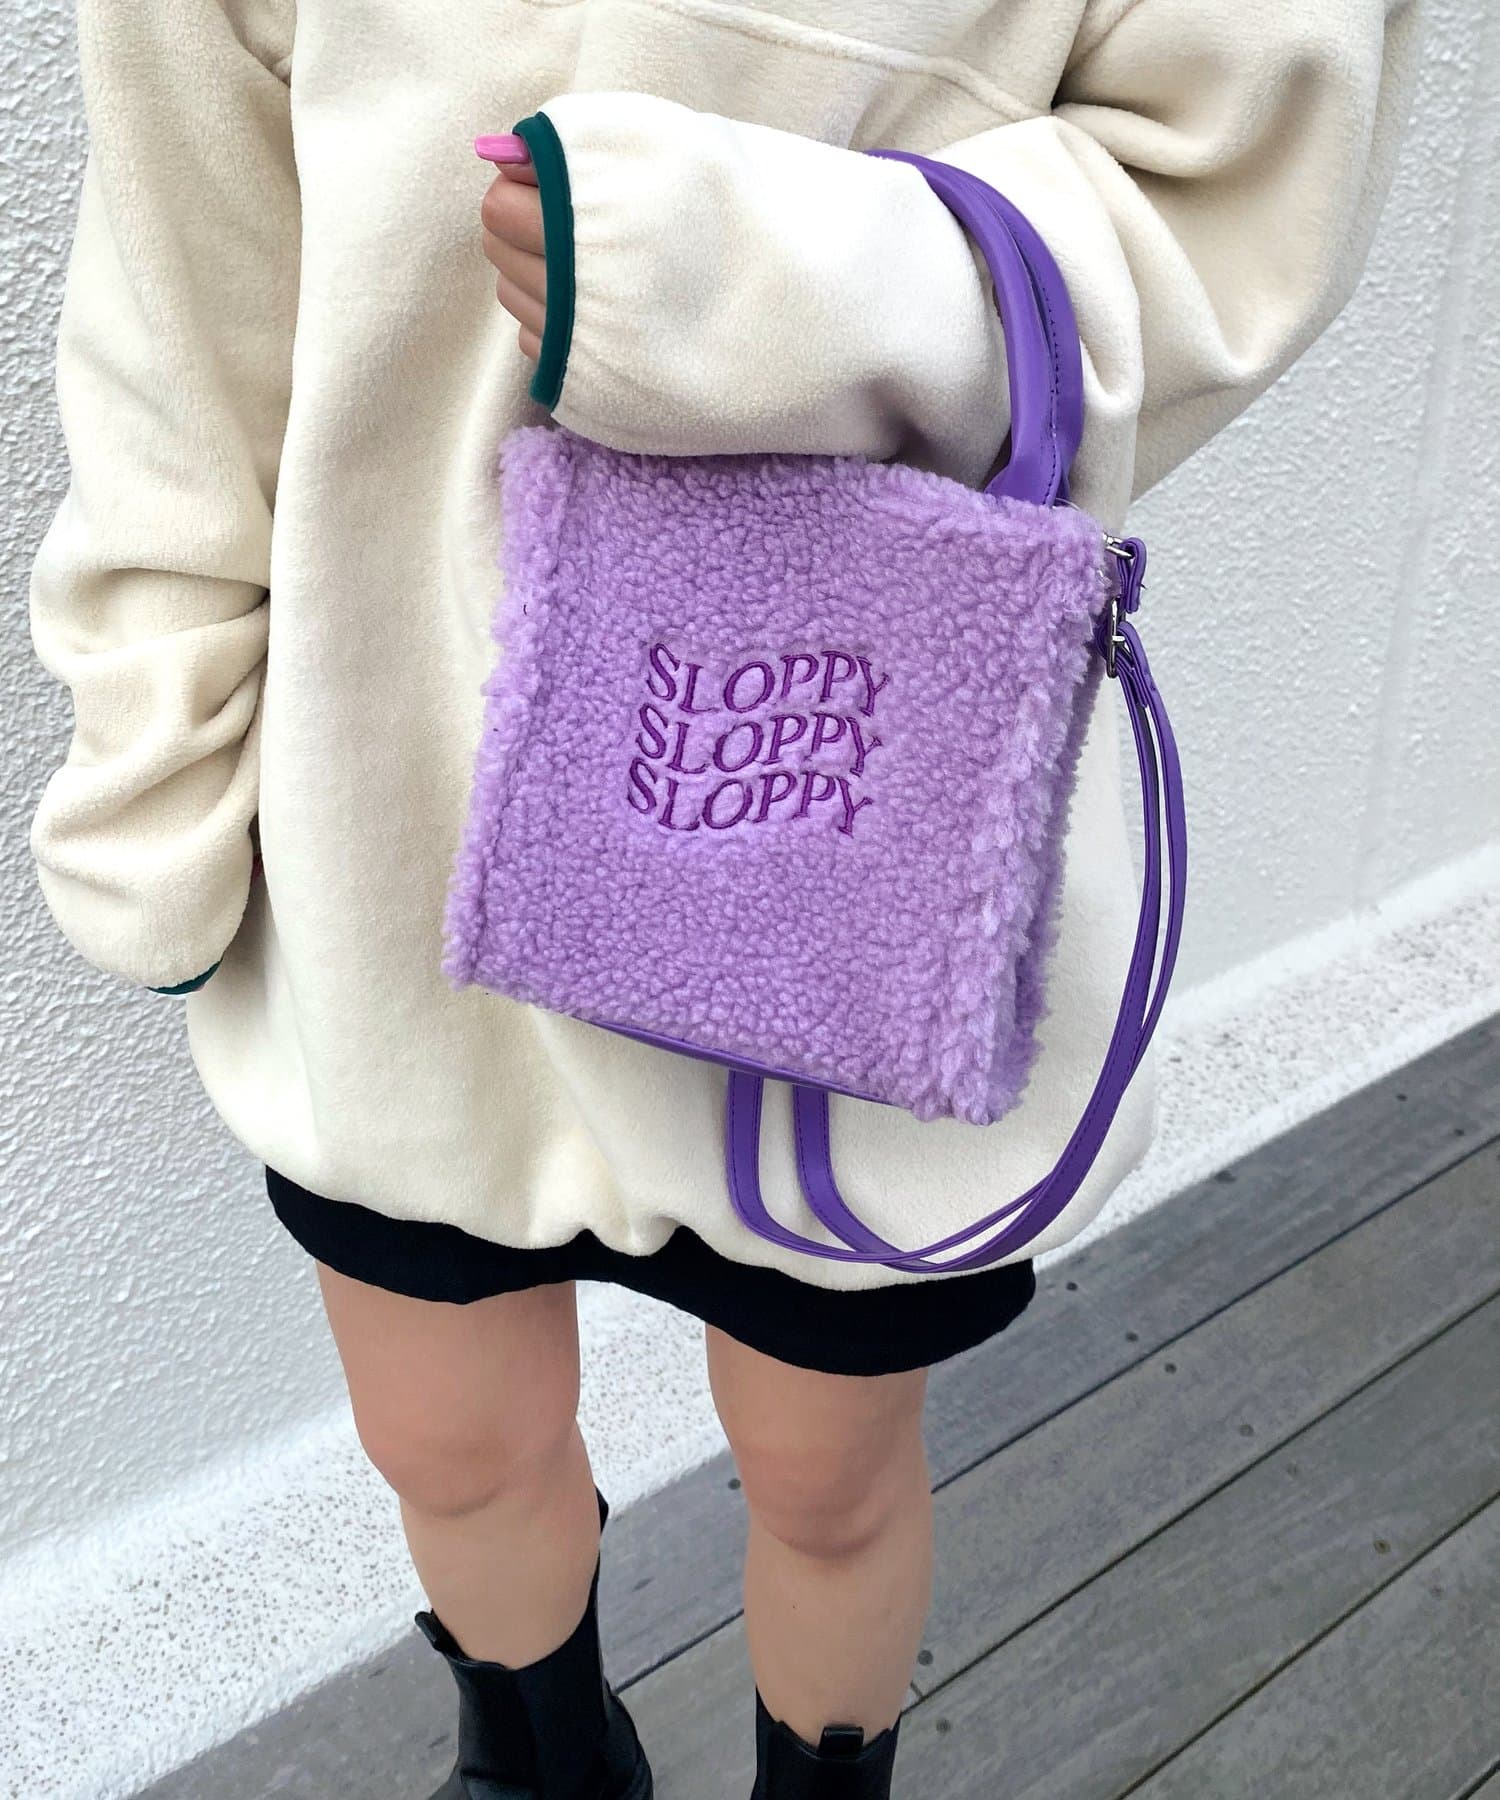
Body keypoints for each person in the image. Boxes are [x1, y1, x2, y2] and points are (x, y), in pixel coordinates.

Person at [26, 2, 1418, 1794]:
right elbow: (176, 310)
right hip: (388, 801)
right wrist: (154, 757)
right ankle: (537, 1765)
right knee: (445, 1441)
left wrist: (752, 281)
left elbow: (1236, 196)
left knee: (827, 1470)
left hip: (843, 818)